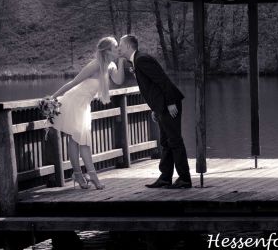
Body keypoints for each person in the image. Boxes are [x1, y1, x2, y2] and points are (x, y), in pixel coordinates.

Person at [118, 34, 192, 189]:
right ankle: (165, 178)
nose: (119, 48)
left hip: (169, 103)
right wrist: (155, 109)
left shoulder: (141, 59)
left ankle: (185, 179)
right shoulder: (137, 60)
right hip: (162, 105)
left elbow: (162, 80)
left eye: (120, 45)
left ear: (128, 46)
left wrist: (171, 102)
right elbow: (152, 88)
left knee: (175, 141)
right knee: (166, 142)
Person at [51, 36, 125, 189]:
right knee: (81, 141)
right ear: (107, 50)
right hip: (73, 102)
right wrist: (52, 98)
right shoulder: (95, 65)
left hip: (83, 106)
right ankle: (91, 178)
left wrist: (122, 61)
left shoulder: (110, 65)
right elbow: (73, 83)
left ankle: (80, 175)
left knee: (78, 140)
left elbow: (118, 80)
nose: (118, 49)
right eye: (116, 46)